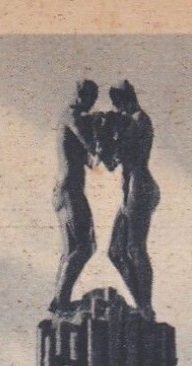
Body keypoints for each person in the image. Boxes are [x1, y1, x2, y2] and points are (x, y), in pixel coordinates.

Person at [104, 80, 160, 317]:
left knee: (136, 247)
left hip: (140, 188)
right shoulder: (132, 120)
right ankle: (141, 303)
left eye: (118, 104)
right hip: (132, 191)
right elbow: (111, 162)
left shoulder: (138, 119)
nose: (117, 110)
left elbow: (116, 157)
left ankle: (145, 306)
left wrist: (109, 135)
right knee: (115, 250)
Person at [50, 79, 100, 312]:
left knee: (73, 249)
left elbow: (93, 162)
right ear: (81, 95)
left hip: (67, 190)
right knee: (85, 246)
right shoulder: (73, 115)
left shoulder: (72, 116)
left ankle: (59, 301)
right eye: (91, 99)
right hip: (69, 190)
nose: (92, 105)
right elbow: (91, 146)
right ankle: (61, 301)